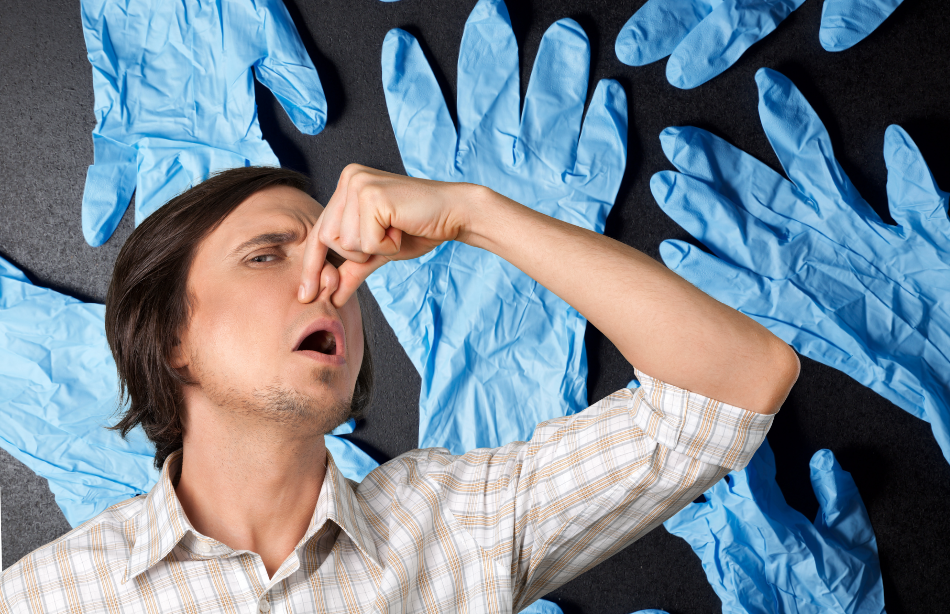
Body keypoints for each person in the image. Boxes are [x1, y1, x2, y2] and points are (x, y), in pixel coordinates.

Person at [0, 165, 799, 613]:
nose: (326, 281)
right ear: (171, 339)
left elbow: (735, 382)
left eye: (339, 260)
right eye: (267, 255)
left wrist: (472, 213)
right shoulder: (50, 599)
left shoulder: (457, 525)